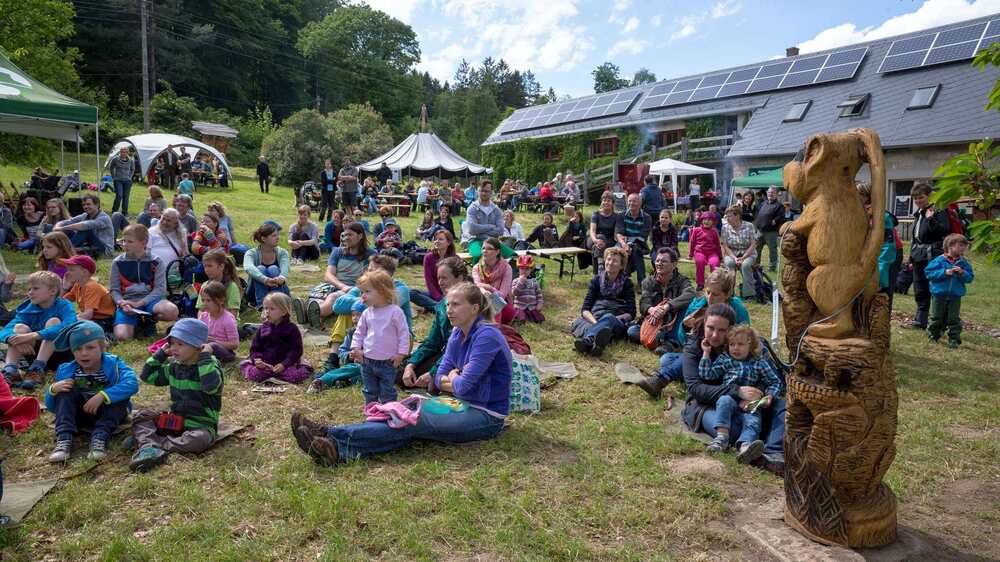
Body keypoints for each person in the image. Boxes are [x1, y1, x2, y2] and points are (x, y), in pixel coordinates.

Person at [290, 282, 512, 467]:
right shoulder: (457, 333)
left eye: (456, 304)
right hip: (458, 402)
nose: (449, 310)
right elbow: (438, 378)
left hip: (485, 415)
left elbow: (461, 386)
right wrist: (453, 378)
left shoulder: (486, 336)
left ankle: (335, 445)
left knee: (412, 420)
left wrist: (452, 379)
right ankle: (329, 435)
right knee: (402, 411)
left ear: (475, 308)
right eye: (447, 304)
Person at [682, 304, 786, 472]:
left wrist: (762, 397)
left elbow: (776, 380)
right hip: (710, 406)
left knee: (782, 408)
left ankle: (772, 455)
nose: (715, 335)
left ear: (731, 329)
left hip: (751, 407)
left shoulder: (753, 349)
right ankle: (744, 445)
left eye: (722, 330)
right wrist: (737, 391)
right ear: (704, 324)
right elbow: (696, 388)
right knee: (737, 429)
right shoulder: (695, 347)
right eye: (710, 328)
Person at [129, 318, 224, 472]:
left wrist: (205, 358)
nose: (174, 348)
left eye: (180, 344)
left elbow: (210, 387)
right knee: (142, 416)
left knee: (199, 440)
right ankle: (148, 445)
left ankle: (150, 444)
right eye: (172, 343)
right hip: (175, 422)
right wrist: (160, 355)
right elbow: (147, 376)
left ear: (198, 347)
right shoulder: (174, 367)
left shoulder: (209, 365)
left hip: (201, 425)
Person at [44, 320, 138, 462]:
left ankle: (99, 437)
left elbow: (132, 383)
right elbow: (53, 407)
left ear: (102, 348)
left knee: (120, 396)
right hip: (80, 415)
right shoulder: (66, 370)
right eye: (78, 349)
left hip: (107, 412)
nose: (84, 353)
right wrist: (52, 390)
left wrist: (102, 395)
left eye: (90, 347)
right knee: (64, 389)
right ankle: (64, 439)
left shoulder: (115, 364)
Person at [698, 324, 783, 463]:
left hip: (751, 402)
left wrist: (769, 396)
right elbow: (707, 375)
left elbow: (776, 381)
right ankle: (721, 438)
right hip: (731, 397)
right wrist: (706, 353)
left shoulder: (759, 362)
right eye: (732, 344)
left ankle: (745, 447)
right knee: (724, 400)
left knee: (753, 420)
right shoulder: (726, 359)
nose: (735, 348)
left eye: (740, 344)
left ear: (751, 345)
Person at [399, 256, 469, 389]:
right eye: (439, 278)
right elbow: (433, 342)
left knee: (441, 382)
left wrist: (433, 372)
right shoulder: (442, 305)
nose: (440, 282)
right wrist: (411, 364)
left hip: (466, 358)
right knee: (402, 374)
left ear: (459, 278)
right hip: (447, 355)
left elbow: (460, 348)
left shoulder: (469, 304)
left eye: (445, 278)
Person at [1, 271, 76, 389]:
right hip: (33, 353)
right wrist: (13, 339)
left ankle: (37, 369)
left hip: (61, 354)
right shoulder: (28, 308)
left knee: (54, 322)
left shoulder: (64, 305)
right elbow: (5, 331)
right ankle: (11, 370)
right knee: (19, 328)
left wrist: (34, 335)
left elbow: (70, 325)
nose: (30, 292)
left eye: (35, 288)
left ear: (52, 291)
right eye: (29, 289)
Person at [110, 225, 179, 341]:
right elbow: (114, 289)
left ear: (144, 242)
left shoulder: (156, 261)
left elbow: (160, 289)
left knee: (172, 311)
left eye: (130, 242)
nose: (125, 244)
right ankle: (139, 323)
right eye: (124, 241)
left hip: (151, 300)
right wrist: (121, 303)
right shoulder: (117, 262)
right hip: (127, 302)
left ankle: (149, 320)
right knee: (122, 337)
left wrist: (140, 303)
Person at [349, 270, 409, 404]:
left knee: (387, 391)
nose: (363, 296)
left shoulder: (395, 312)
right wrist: (355, 348)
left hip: (388, 362)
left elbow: (403, 333)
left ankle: (387, 412)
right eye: (361, 292)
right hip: (367, 360)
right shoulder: (366, 313)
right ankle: (371, 412)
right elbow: (359, 332)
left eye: (367, 291)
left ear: (382, 291)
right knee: (369, 390)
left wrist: (401, 353)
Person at [626, 247, 696, 352]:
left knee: (686, 306)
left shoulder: (682, 281)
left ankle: (671, 341)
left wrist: (667, 307)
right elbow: (644, 302)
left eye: (664, 261)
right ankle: (661, 340)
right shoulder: (648, 281)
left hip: (673, 322)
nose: (659, 264)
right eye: (657, 261)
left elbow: (690, 294)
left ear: (674, 264)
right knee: (632, 331)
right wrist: (652, 310)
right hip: (654, 320)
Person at [304, 222, 374, 326]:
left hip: (353, 289)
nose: (346, 238)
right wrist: (341, 286)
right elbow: (328, 275)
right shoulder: (338, 252)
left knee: (332, 297)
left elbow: (369, 278)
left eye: (350, 235)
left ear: (360, 236)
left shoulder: (370, 255)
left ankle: (312, 314)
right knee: (317, 296)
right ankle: (312, 312)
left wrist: (348, 288)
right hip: (335, 285)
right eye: (345, 235)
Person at [571, 247, 635, 357]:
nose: (610, 263)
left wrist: (609, 320)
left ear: (621, 266)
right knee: (581, 323)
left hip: (616, 320)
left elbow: (631, 313)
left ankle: (588, 340)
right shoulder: (596, 280)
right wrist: (598, 324)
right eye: (609, 259)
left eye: (615, 261)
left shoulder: (627, 283)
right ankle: (597, 345)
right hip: (595, 318)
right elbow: (585, 309)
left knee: (609, 317)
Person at [241, 292, 313, 383]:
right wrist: (257, 360)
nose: (267, 311)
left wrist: (284, 364)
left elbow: (296, 351)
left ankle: (302, 367)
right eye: (266, 308)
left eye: (272, 309)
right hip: (266, 365)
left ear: (283, 311)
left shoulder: (292, 329)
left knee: (294, 376)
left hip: (285, 366)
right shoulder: (262, 328)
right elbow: (255, 348)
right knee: (254, 375)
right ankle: (253, 368)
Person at [909, 181, 952, 329]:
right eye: (915, 198)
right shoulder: (918, 213)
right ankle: (920, 321)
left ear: (929, 196)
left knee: (936, 289)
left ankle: (940, 323)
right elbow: (915, 237)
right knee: (920, 289)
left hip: (933, 255)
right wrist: (911, 257)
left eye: (920, 197)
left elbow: (944, 231)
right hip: (918, 256)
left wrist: (931, 218)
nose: (917, 201)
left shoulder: (938, 210)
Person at [925, 233, 974, 348]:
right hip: (939, 294)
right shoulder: (939, 260)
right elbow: (929, 273)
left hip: (955, 296)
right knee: (936, 317)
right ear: (950, 246)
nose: (963, 248)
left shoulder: (964, 263)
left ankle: (954, 339)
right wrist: (944, 273)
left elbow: (970, 278)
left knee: (954, 319)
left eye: (964, 246)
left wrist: (962, 272)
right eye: (960, 245)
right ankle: (933, 336)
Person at [856, 182, 898, 303]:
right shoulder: (861, 213)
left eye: (859, 194)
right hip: (871, 255)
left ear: (867, 196)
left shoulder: (881, 216)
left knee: (882, 295)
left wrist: (881, 277)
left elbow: (888, 247)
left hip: (888, 256)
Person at [60, 255, 115, 332]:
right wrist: (65, 287)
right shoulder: (78, 285)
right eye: (68, 269)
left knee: (69, 326)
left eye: (71, 270)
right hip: (91, 319)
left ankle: (107, 337)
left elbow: (88, 314)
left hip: (103, 321)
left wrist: (69, 319)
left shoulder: (91, 286)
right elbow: (60, 303)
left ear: (84, 272)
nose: (67, 273)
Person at [243, 222, 291, 308]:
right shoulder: (251, 253)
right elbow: (248, 267)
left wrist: (281, 277)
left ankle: (278, 303)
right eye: (274, 236)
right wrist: (265, 280)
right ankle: (262, 305)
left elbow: (285, 267)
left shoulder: (282, 252)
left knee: (273, 269)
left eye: (277, 235)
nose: (277, 238)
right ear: (263, 239)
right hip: (254, 293)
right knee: (260, 268)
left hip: (278, 287)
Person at [410, 229, 456, 313]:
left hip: (451, 294)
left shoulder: (455, 259)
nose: (437, 241)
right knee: (411, 293)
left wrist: (448, 296)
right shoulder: (428, 257)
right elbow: (429, 282)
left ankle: (434, 308)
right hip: (434, 293)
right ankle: (441, 308)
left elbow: (459, 281)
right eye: (435, 239)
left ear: (448, 243)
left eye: (441, 239)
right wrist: (439, 298)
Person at [472, 237, 514, 324]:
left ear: (497, 251)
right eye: (483, 248)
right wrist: (483, 291)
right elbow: (476, 285)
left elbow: (503, 294)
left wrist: (489, 288)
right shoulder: (477, 268)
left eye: (489, 249)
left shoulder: (506, 268)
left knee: (497, 305)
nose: (485, 251)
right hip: (481, 301)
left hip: (501, 302)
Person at [720, 205, 758, 298]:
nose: (727, 218)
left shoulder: (749, 226)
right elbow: (725, 246)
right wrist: (735, 258)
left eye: (729, 216)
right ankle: (729, 292)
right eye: (726, 216)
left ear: (737, 216)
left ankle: (748, 294)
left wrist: (744, 257)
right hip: (732, 253)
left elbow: (753, 244)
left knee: (745, 265)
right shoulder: (725, 228)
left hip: (748, 252)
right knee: (729, 263)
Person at [197, 281, 238, 364]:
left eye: (209, 300)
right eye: (203, 300)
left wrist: (216, 342)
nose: (205, 304)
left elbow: (234, 345)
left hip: (225, 353)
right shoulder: (203, 316)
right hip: (205, 348)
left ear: (221, 301)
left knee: (213, 346)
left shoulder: (228, 319)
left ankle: (201, 361)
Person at [617, 193, 652, 285]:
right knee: (614, 252)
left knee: (636, 250)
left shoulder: (647, 217)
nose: (631, 203)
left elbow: (642, 236)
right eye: (630, 201)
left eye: (634, 201)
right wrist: (624, 244)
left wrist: (629, 244)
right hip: (623, 244)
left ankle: (633, 280)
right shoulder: (621, 215)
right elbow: (619, 233)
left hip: (640, 244)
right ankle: (619, 279)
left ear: (640, 203)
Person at [195, 249, 241, 317]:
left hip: (227, 324)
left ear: (221, 266)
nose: (206, 270)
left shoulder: (231, 286)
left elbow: (233, 313)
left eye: (210, 266)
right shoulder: (205, 286)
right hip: (209, 323)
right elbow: (201, 310)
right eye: (205, 266)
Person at [465, 181, 504, 255]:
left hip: (493, 241)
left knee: (510, 254)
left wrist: (480, 230)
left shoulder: (496, 210)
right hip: (475, 240)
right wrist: (490, 226)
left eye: (486, 191)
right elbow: (472, 229)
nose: (483, 193)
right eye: (481, 191)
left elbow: (501, 230)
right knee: (477, 255)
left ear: (491, 192)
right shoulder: (472, 208)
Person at [753, 187, 785, 273]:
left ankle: (772, 267)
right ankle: (756, 265)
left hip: (771, 232)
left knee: (772, 250)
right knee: (756, 248)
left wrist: (775, 220)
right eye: (769, 192)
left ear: (776, 194)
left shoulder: (779, 205)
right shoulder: (763, 203)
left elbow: (781, 216)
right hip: (760, 231)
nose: (770, 194)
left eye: (772, 192)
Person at [689, 211, 722, 290]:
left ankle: (713, 283)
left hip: (712, 253)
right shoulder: (696, 230)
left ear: (713, 222)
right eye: (705, 219)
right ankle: (700, 283)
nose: (706, 221)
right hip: (700, 252)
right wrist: (690, 254)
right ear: (701, 220)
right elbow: (692, 242)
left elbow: (717, 245)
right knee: (700, 262)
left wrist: (720, 256)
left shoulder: (714, 231)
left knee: (715, 263)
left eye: (709, 220)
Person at [590, 192, 619, 273]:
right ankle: (601, 267)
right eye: (604, 200)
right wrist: (595, 240)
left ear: (612, 203)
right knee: (600, 238)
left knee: (595, 247)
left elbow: (617, 232)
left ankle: (598, 273)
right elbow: (592, 231)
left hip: (609, 240)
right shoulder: (596, 214)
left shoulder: (616, 216)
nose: (606, 202)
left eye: (608, 201)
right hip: (593, 238)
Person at [511, 255, 544, 323]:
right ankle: (521, 319)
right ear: (518, 269)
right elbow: (514, 293)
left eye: (527, 269)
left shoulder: (534, 281)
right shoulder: (515, 281)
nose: (524, 271)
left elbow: (539, 295)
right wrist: (520, 282)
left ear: (531, 270)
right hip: (520, 307)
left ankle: (530, 318)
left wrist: (539, 304)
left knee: (538, 319)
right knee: (520, 318)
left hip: (532, 307)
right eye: (522, 268)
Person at [110, 147, 135, 216]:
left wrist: (130, 177)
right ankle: (114, 211)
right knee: (119, 195)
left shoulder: (130, 160)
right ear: (119, 152)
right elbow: (111, 168)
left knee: (126, 197)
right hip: (118, 180)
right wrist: (113, 177)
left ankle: (125, 212)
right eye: (122, 152)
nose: (123, 153)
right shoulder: (115, 159)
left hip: (127, 181)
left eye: (125, 152)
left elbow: (132, 169)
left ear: (127, 153)